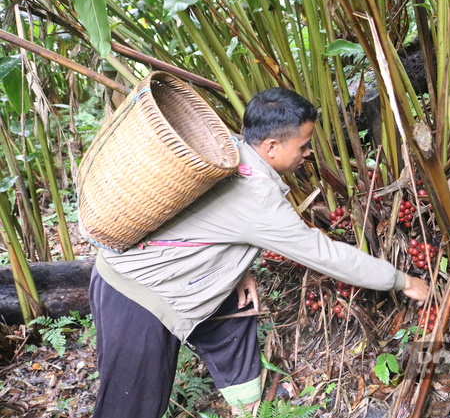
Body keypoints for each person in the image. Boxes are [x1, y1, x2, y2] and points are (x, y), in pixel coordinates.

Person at [89, 87, 429, 418]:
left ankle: (250, 408)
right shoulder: (258, 196)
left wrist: (240, 270)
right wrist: (401, 280)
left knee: (235, 316)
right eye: (304, 146)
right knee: (133, 405)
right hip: (137, 292)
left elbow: (212, 221)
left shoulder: (233, 149)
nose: (308, 154)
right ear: (270, 146)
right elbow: (326, 254)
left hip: (171, 274)